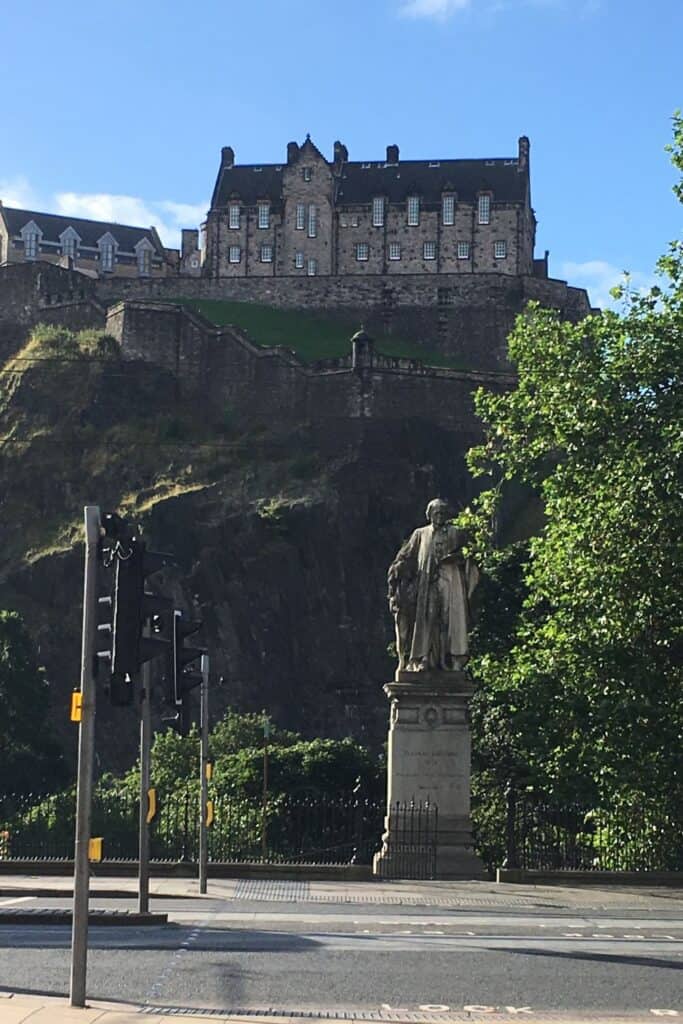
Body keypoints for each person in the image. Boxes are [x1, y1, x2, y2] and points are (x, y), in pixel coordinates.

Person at [387, 498, 479, 672]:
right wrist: (398, 569)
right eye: (436, 512)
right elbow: (406, 556)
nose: (439, 516)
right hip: (427, 582)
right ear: (429, 515)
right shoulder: (420, 534)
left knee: (449, 619)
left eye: (443, 512)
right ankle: (424, 658)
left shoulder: (457, 533)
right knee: (428, 617)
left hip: (451, 581)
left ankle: (450, 659)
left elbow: (470, 556)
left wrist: (457, 558)